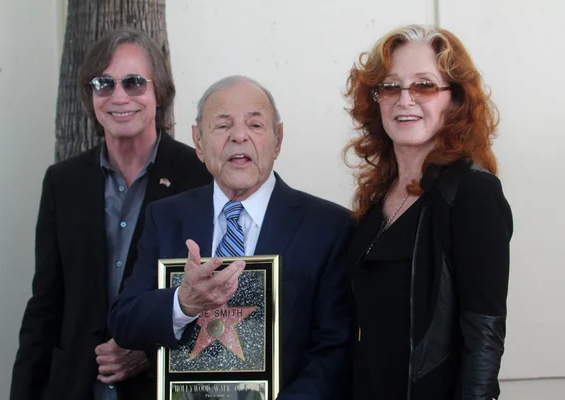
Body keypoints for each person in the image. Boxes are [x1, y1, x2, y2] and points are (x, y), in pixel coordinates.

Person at [107, 75, 354, 399]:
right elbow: (124, 321)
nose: (239, 136)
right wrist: (183, 303)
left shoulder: (328, 227)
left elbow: (335, 350)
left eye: (255, 125)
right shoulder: (165, 217)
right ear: (198, 141)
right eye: (222, 126)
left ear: (277, 139)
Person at [10, 27, 212, 400]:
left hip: (159, 388)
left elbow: (219, 301)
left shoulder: (199, 177)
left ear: (158, 91)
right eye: (104, 84)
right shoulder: (62, 182)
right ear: (91, 96)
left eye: (134, 82)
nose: (119, 97)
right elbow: (46, 305)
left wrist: (148, 351)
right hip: (74, 387)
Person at [344, 24, 513, 399]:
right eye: (390, 86)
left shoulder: (473, 194)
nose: (405, 100)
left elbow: (484, 342)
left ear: (454, 100)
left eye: (423, 85)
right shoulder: (377, 199)